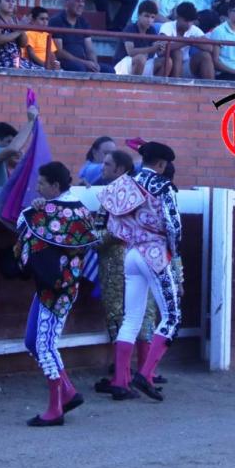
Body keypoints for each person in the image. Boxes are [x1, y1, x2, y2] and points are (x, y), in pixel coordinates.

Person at [97, 141, 182, 401]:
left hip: (130, 254)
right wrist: (173, 256)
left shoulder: (124, 182)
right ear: (161, 164)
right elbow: (173, 225)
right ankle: (145, 374)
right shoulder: (163, 185)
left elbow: (111, 222)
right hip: (154, 254)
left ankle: (121, 382)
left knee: (131, 318)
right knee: (172, 317)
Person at [16, 161, 98, 426]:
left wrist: (37, 208)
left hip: (55, 288)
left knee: (45, 345)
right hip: (62, 284)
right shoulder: (81, 210)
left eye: (41, 183)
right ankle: (69, 392)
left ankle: (55, 408)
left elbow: (22, 223)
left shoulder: (50, 212)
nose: (37, 188)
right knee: (33, 341)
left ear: (55, 185)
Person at [89, 148, 163, 393]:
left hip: (117, 263)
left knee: (120, 318)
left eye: (107, 165)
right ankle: (145, 375)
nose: (103, 168)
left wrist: (89, 237)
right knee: (144, 316)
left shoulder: (115, 193)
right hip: (148, 257)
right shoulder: (145, 189)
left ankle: (121, 380)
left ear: (120, 169)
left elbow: (110, 234)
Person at [50, 0, 115, 73]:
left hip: (83, 62)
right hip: (65, 62)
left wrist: (94, 64)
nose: (81, 4)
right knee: (79, 68)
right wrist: (85, 63)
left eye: (83, 1)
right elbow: (59, 52)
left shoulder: (83, 22)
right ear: (67, 2)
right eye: (77, 1)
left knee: (109, 70)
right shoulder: (56, 21)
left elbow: (90, 49)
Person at [158, 2, 214, 79]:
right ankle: (175, 86)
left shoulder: (194, 29)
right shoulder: (167, 26)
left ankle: (210, 89)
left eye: (191, 21)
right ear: (178, 17)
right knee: (177, 53)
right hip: (165, 66)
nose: (189, 24)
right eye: (186, 21)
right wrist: (186, 42)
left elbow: (210, 47)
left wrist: (193, 42)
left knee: (205, 56)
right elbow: (161, 49)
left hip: (185, 66)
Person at [115, 0, 168, 76]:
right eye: (146, 16)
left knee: (167, 62)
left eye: (152, 17)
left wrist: (161, 47)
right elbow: (131, 52)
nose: (149, 20)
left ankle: (154, 87)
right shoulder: (130, 28)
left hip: (143, 63)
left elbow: (157, 51)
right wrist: (154, 48)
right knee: (141, 58)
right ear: (139, 15)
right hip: (123, 64)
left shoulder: (151, 30)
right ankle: (134, 86)